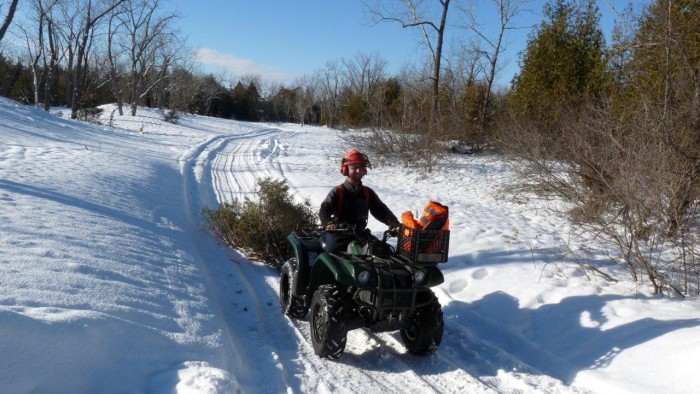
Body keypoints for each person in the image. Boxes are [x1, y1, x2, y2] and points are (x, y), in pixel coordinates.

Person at [319, 149, 400, 232]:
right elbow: (324, 209)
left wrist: (396, 225)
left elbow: (382, 211)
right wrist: (328, 223)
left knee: (380, 245)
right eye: (354, 167)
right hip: (339, 236)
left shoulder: (367, 193)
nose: (358, 170)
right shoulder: (338, 191)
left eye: (361, 167)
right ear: (346, 169)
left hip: (360, 235)